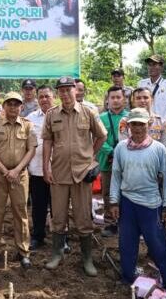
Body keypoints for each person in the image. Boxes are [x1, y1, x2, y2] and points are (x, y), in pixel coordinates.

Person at [42, 76, 107, 277]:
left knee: (83, 218)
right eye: (61, 90)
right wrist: (46, 167)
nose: (65, 93)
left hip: (82, 174)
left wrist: (90, 157)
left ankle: (86, 258)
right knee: (59, 216)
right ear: (58, 93)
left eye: (68, 89)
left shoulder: (88, 112)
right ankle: (57, 253)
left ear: (75, 91)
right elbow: (47, 142)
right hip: (59, 174)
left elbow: (102, 135)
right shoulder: (52, 114)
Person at [109, 107, 166, 292]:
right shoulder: (121, 148)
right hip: (128, 202)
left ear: (148, 124)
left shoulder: (158, 149)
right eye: (134, 124)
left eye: (141, 124)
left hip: (151, 204)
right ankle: (127, 276)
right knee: (127, 242)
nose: (137, 128)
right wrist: (114, 201)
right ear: (128, 126)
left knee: (158, 245)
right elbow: (116, 175)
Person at [0, 92, 37, 268]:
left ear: (21, 106)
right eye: (9, 104)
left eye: (16, 104)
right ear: (4, 106)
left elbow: (31, 150)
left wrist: (16, 170)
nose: (13, 107)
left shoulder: (28, 125)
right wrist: (6, 170)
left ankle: (23, 251)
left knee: (20, 213)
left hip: (19, 175)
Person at [97, 86, 130, 238]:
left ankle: (126, 222)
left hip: (128, 163)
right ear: (108, 100)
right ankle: (110, 222)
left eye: (118, 97)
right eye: (112, 97)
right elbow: (98, 138)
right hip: (107, 161)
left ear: (124, 99)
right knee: (108, 192)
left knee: (126, 191)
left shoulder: (130, 117)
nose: (115, 100)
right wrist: (112, 151)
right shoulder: (101, 118)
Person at [26, 85, 55, 250]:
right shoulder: (30, 118)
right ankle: (38, 236)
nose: (44, 99)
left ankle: (61, 239)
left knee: (58, 207)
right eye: (41, 96)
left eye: (47, 96)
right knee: (38, 206)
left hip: (58, 169)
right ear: (37, 99)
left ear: (54, 97)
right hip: (37, 169)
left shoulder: (61, 116)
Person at [119, 87, 166, 152]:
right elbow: (123, 147)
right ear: (133, 101)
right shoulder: (124, 122)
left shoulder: (163, 123)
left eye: (146, 98)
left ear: (152, 99)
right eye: (138, 98)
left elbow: (165, 150)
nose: (142, 101)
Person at [138, 54, 166, 134]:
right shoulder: (141, 84)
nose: (151, 67)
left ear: (161, 67)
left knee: (161, 146)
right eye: (149, 65)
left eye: (154, 65)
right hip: (143, 126)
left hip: (161, 128)